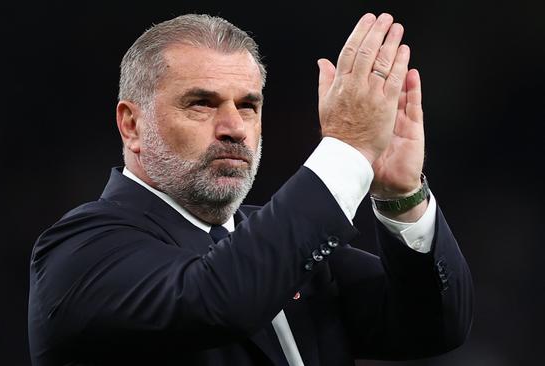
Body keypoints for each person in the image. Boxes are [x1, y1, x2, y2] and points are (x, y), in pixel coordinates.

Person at [28, 13, 473, 366]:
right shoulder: (79, 251)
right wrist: (347, 149)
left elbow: (435, 328)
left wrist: (401, 196)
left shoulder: (286, 241)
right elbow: (220, 299)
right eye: (201, 104)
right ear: (132, 124)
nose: (234, 128)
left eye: (248, 105)